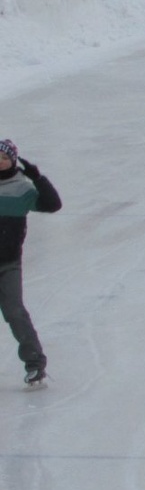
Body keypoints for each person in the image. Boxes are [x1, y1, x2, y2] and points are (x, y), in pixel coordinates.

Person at [0, 138, 61, 387]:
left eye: (3, 158)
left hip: (8, 265)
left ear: (13, 160)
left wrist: (38, 178)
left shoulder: (23, 189)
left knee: (15, 313)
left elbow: (53, 205)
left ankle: (35, 364)